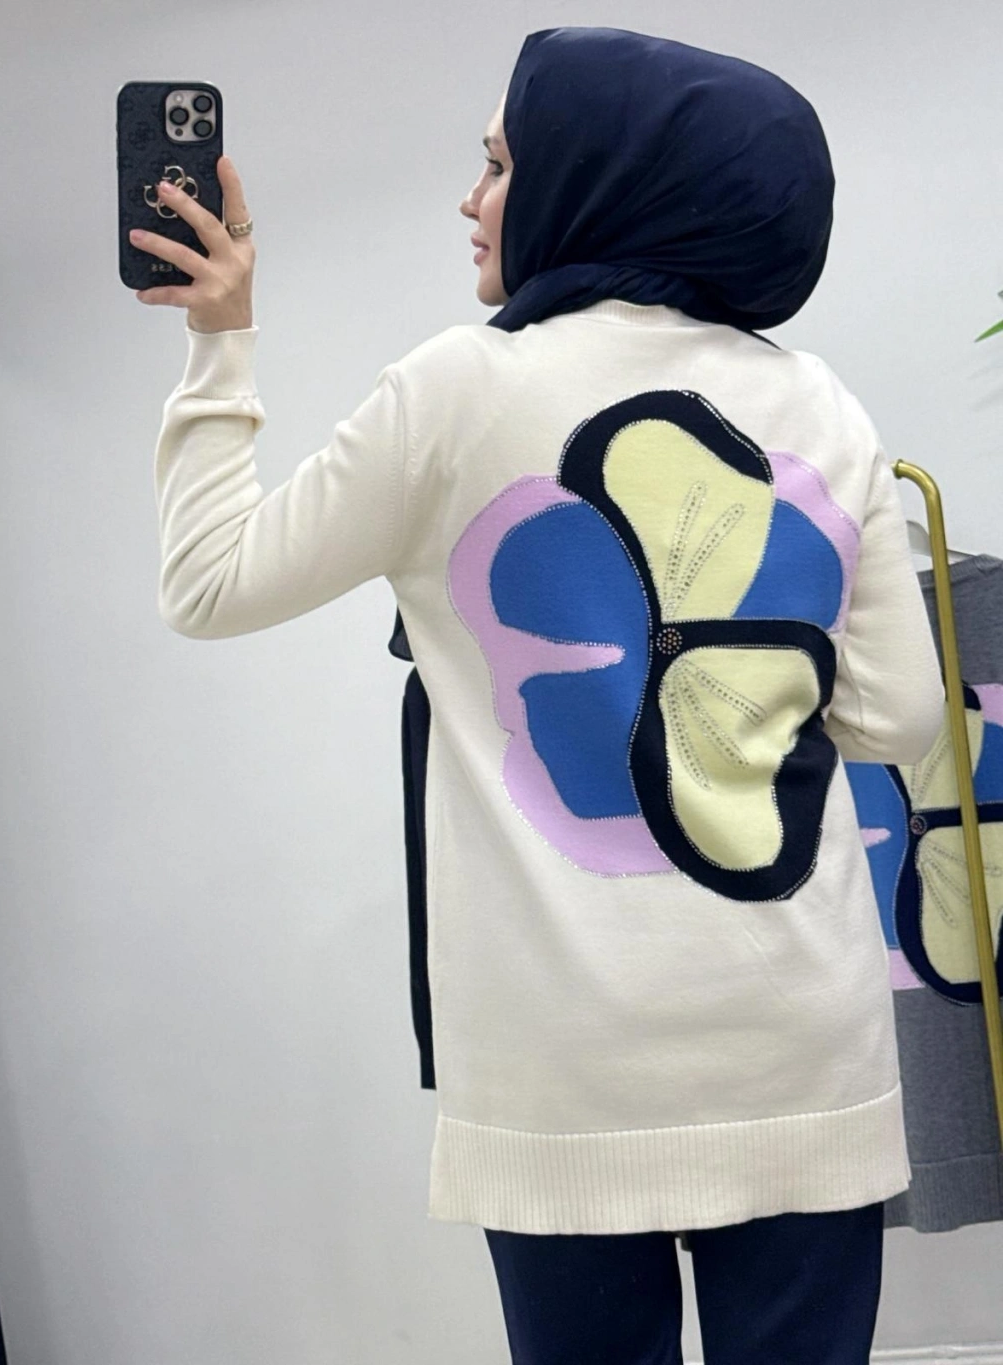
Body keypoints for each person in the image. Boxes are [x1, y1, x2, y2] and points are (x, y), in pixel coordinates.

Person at [138, 26, 945, 1365]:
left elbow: (210, 583)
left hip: (562, 1075)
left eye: (501, 164)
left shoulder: (458, 390)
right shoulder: (822, 405)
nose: (472, 200)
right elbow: (900, 719)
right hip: (801, 1050)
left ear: (599, 177)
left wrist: (220, 341)